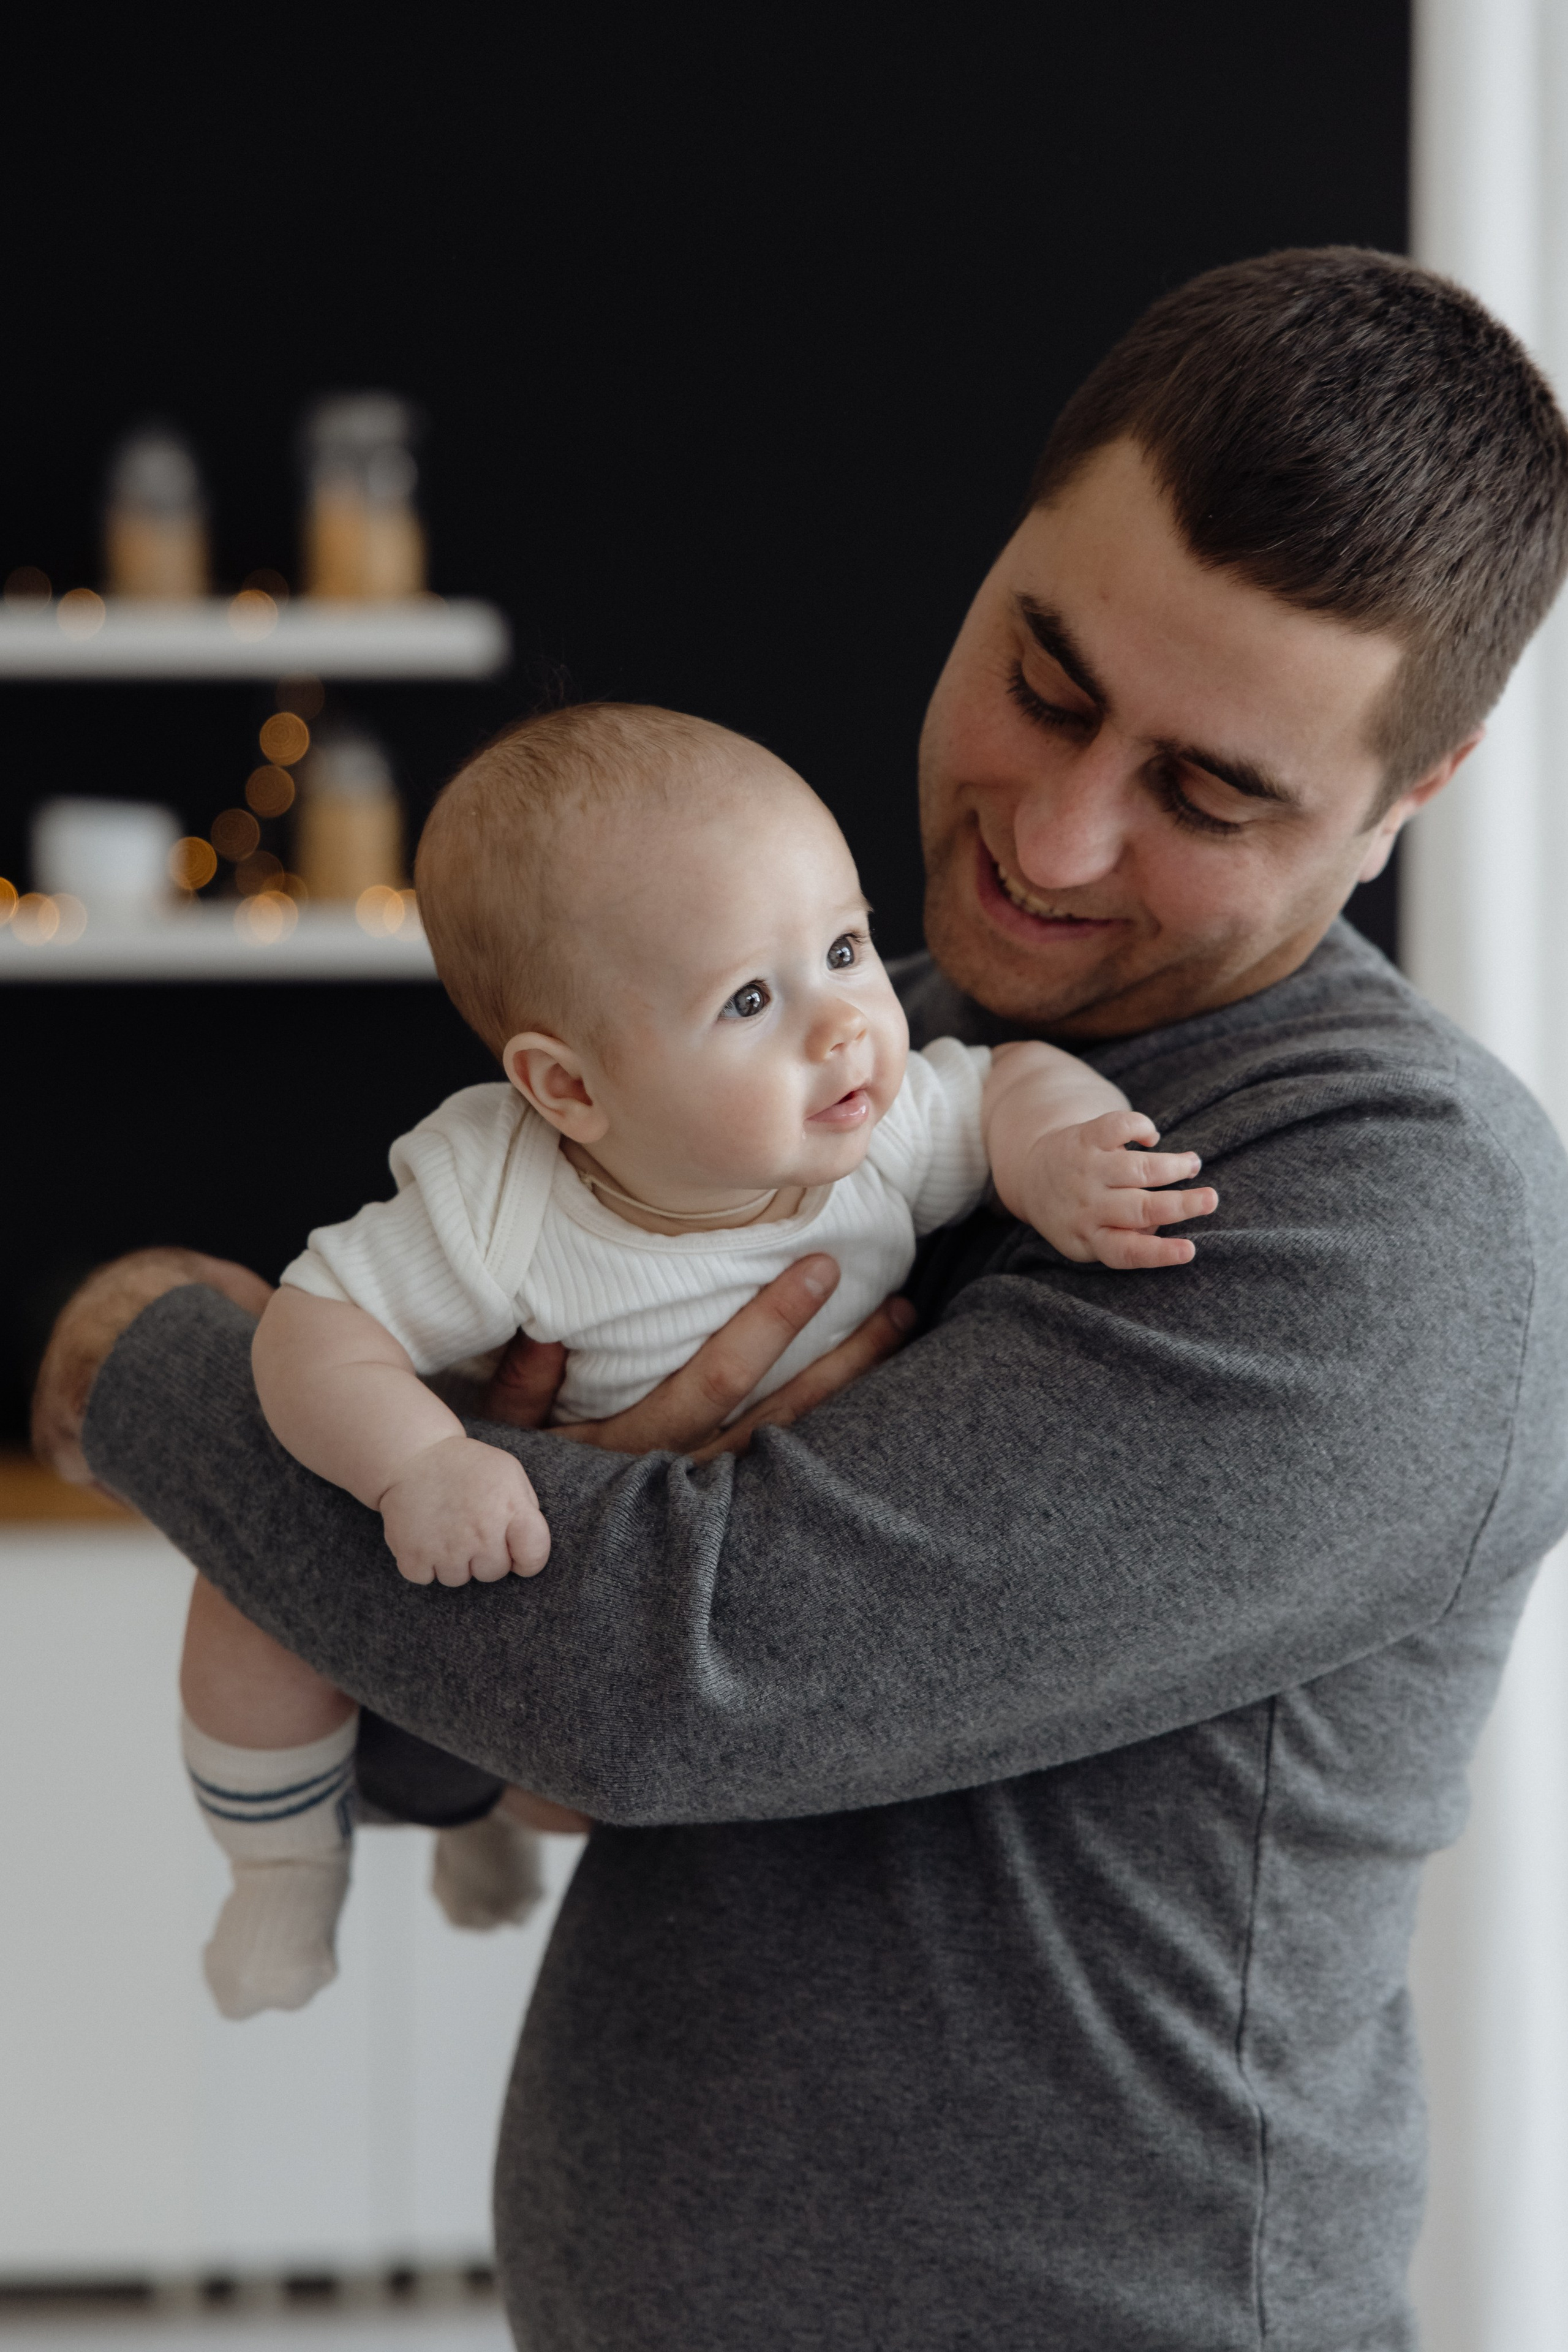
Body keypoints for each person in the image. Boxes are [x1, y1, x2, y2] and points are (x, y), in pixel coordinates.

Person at [33, 247, 1568, 2350]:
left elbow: (653, 1686)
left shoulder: (1398, 1228)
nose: (1051, 834)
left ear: (1419, 791)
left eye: (1210, 792)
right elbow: (439, 1745)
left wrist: (136, 1355)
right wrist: (529, 1570)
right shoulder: (854, 1062)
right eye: (1042, 675)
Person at [183, 703, 1212, 2020]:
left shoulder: (878, 1118)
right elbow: (309, 1328)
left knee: (551, 1755)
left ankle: (479, 1816)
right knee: (245, 1595)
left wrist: (1065, 1149)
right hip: (505, 1525)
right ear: (568, 1093)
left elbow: (1006, 1081)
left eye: (843, 946)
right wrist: (420, 1462)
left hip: (702, 1596)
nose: (844, 1024)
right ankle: (278, 1866)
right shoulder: (497, 1196)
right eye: (747, 997)